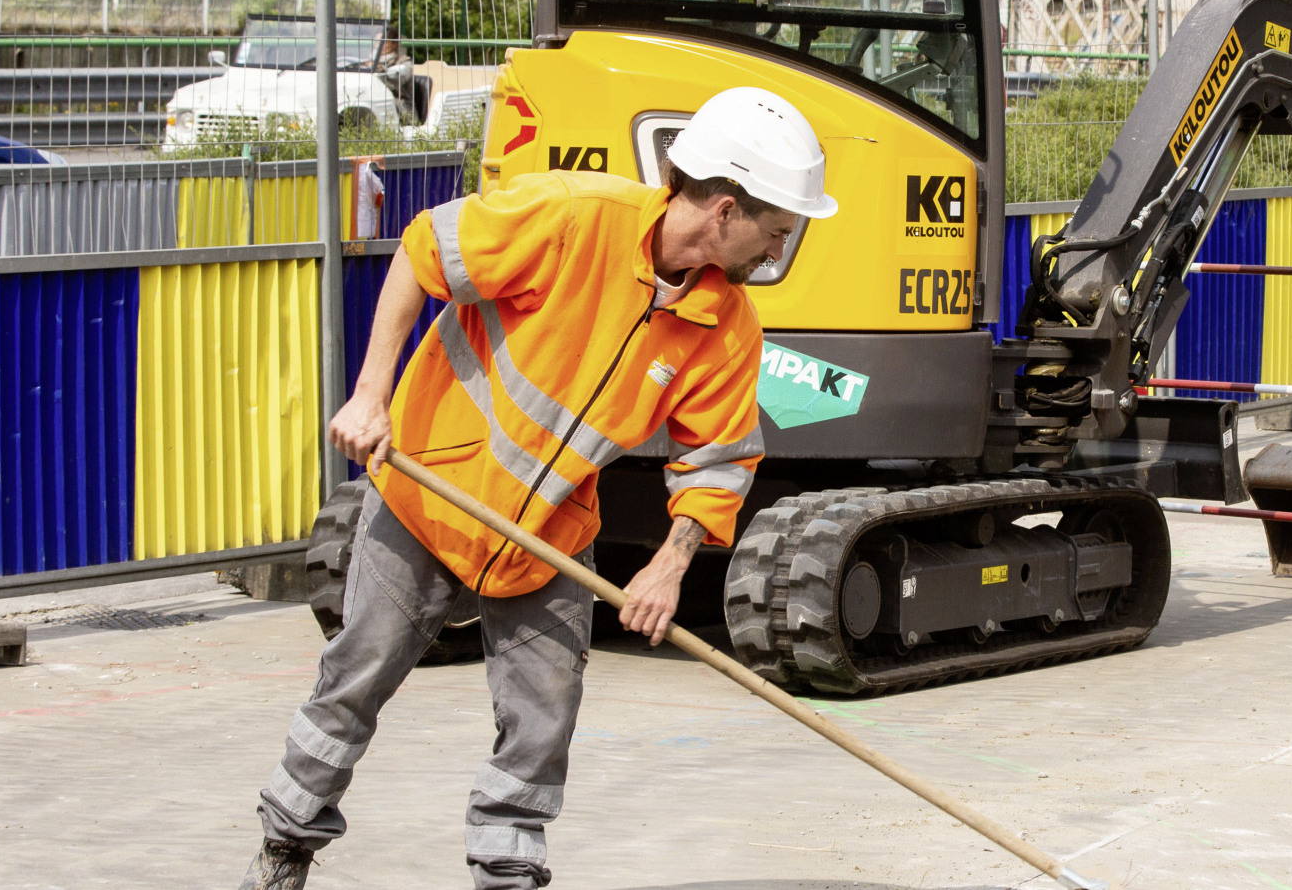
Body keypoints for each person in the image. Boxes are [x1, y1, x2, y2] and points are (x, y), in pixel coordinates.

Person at [238, 87, 842, 890]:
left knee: (543, 716)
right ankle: (284, 848)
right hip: (430, 495)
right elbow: (423, 251)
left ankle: (507, 873)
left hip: (549, 533)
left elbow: (719, 459)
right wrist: (371, 395)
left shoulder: (725, 324)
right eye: (775, 233)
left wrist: (668, 564)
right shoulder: (570, 217)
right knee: (356, 677)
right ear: (726, 210)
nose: (774, 252)